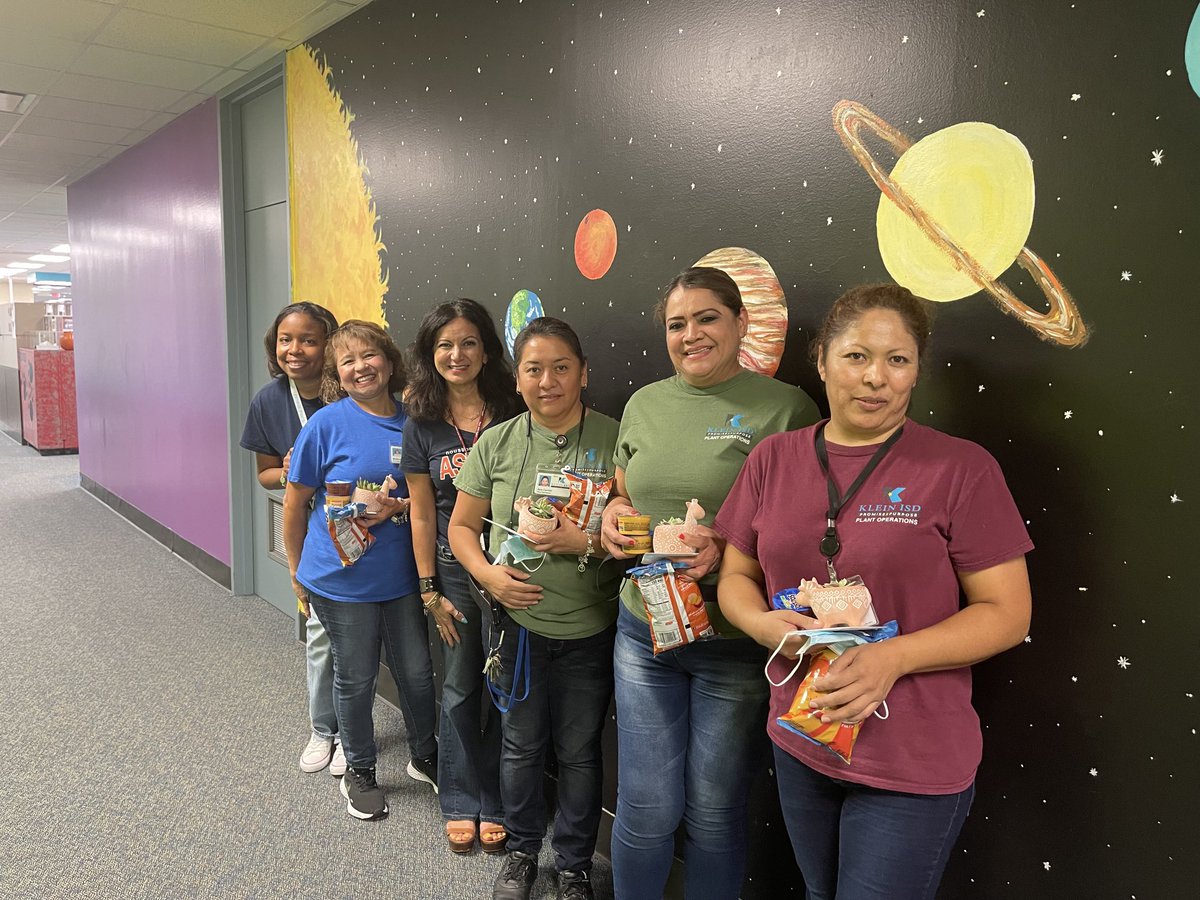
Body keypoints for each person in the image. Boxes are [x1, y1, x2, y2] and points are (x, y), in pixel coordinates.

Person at [715, 283, 1034, 900]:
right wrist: (762, 626)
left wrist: (894, 656)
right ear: (823, 361)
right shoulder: (772, 460)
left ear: (917, 371)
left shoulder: (961, 469)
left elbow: (1008, 614)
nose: (875, 379)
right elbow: (734, 579)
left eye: (898, 360)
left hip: (912, 756)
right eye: (857, 356)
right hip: (803, 736)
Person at [598, 266, 819, 900]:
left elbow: (809, 535)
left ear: (740, 322)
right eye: (676, 324)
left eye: (707, 318)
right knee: (644, 808)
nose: (690, 334)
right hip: (646, 632)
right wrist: (613, 515)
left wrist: (728, 550)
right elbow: (621, 490)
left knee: (715, 811)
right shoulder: (644, 403)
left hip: (736, 645)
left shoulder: (785, 408)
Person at [449, 317, 621, 900]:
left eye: (561, 367)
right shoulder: (496, 443)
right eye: (533, 369)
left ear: (583, 373)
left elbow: (638, 535)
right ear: (517, 378)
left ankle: (573, 863)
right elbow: (462, 529)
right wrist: (489, 578)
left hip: (591, 630)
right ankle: (522, 852)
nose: (547, 381)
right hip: (518, 629)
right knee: (521, 747)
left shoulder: (616, 439)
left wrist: (588, 542)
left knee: (577, 752)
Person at [283, 320, 439, 821]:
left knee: (416, 673)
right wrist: (294, 570)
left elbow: (427, 502)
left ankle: (425, 756)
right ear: (338, 373)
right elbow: (294, 503)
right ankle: (361, 771)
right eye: (347, 361)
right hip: (339, 580)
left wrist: (394, 508)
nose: (360, 367)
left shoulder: (415, 423)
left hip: (401, 578)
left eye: (369, 355)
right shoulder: (325, 425)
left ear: (389, 361)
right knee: (356, 677)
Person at [402, 298, 522, 854]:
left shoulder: (513, 407)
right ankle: (460, 799)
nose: (457, 354)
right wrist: (429, 590)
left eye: (469, 342)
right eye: (445, 345)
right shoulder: (422, 422)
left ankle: (497, 801)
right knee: (459, 684)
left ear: (487, 350)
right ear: (431, 354)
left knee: (508, 685)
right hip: (454, 571)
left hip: (517, 565)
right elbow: (423, 512)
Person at [239, 301, 346, 776]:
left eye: (308, 339)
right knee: (320, 636)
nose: (295, 350)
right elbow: (263, 475)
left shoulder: (351, 392)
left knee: (364, 642)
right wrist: (285, 473)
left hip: (365, 529)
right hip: (311, 532)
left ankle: (353, 732)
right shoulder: (268, 400)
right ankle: (324, 729)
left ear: (329, 345)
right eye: (286, 340)